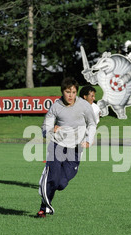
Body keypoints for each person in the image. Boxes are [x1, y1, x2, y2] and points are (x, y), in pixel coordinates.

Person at [37, 77, 97, 218]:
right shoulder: (56, 106)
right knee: (53, 178)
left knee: (61, 184)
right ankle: (43, 208)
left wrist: (89, 140)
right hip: (57, 146)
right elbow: (45, 127)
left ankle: (47, 183)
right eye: (67, 92)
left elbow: (92, 124)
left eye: (73, 92)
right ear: (62, 91)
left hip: (75, 149)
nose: (70, 95)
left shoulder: (84, 106)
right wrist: (51, 129)